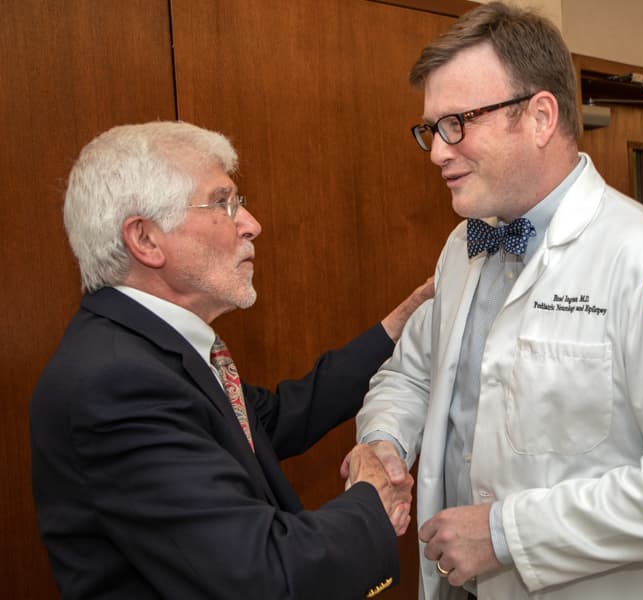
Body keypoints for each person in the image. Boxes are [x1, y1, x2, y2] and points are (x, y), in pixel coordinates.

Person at [347, 2, 643, 599]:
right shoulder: (464, 248)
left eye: (458, 122)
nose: (437, 151)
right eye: (431, 129)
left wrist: (508, 533)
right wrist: (384, 442)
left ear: (540, 117)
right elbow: (413, 374)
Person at [30, 121, 433, 600]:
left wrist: (395, 329)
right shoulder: (116, 384)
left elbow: (272, 419)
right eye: (224, 203)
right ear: (146, 239)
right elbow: (261, 576)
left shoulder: (148, 348)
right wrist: (371, 497)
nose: (251, 223)